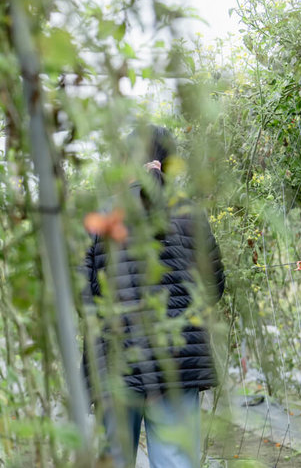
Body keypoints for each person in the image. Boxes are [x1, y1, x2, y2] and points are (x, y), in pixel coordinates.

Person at [83, 126, 225, 468]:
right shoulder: (191, 215)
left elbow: (82, 292)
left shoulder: (103, 216)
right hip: (178, 362)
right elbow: (214, 287)